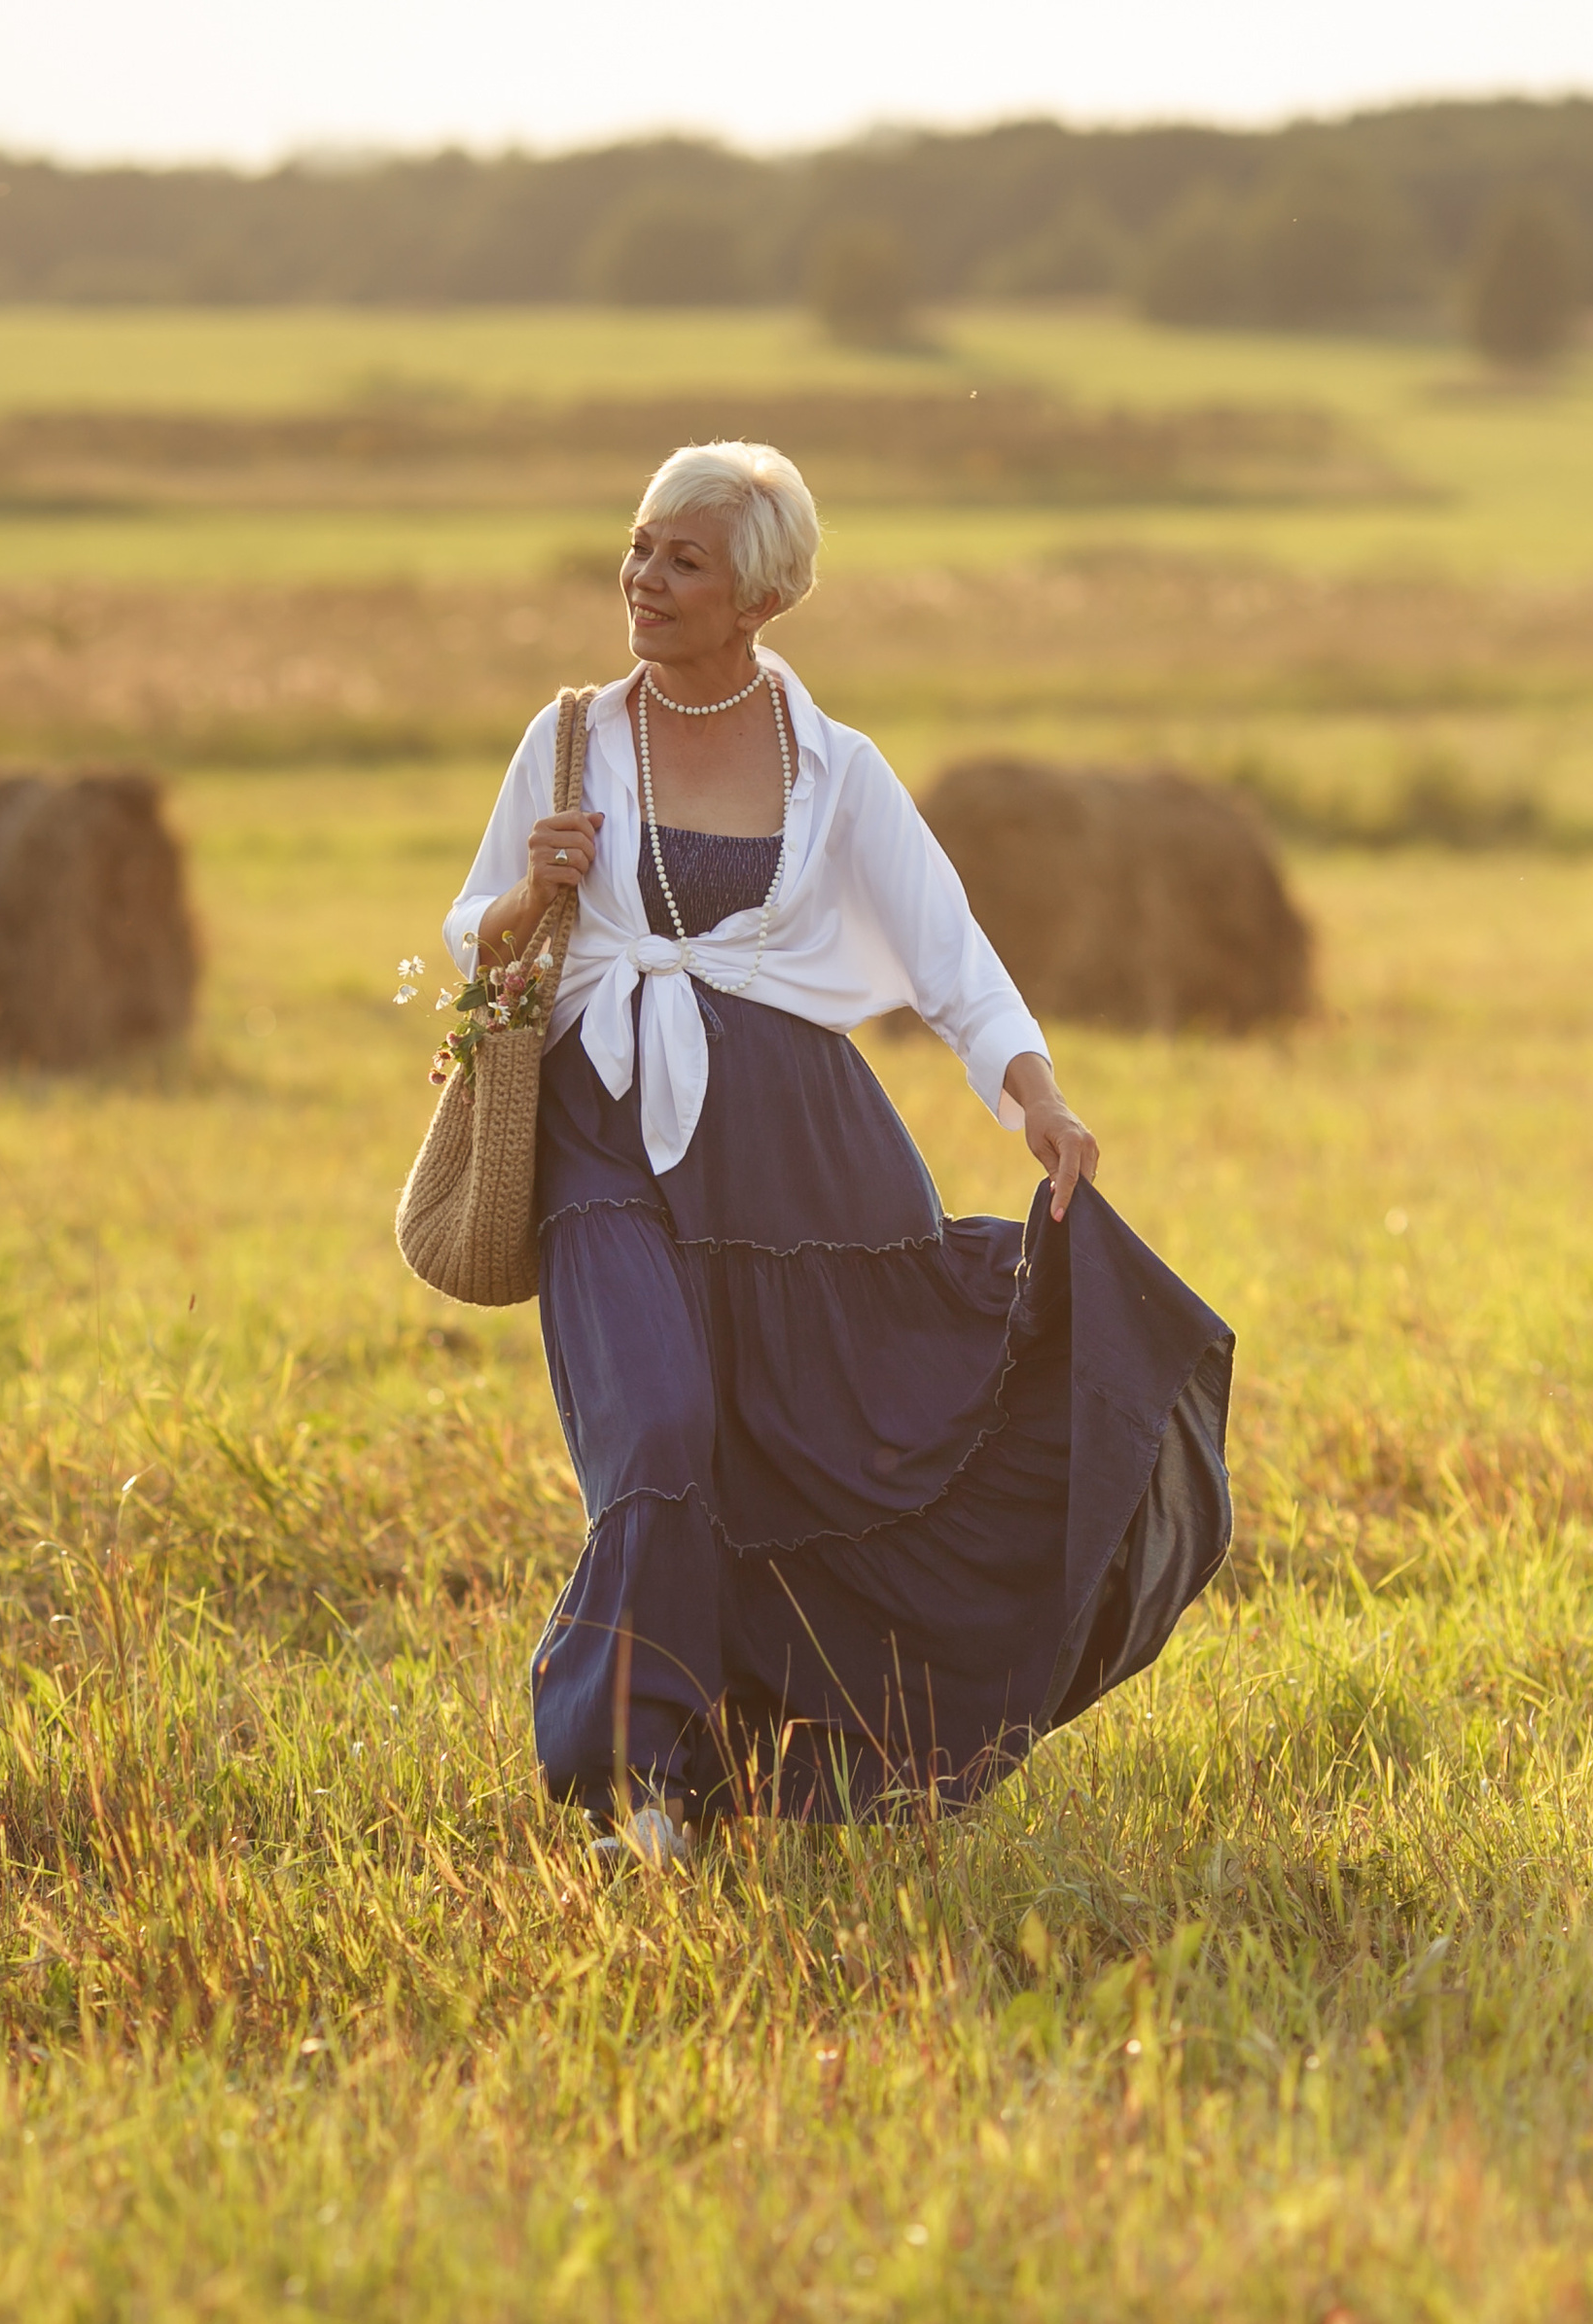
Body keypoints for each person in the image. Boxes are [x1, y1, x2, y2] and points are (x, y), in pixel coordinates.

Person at [446, 441, 1233, 1865]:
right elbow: (470, 939)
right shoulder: (565, 735)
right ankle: (625, 1772)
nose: (643, 578)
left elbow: (950, 957)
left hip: (802, 1161)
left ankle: (746, 1760)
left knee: (822, 1456)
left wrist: (1036, 1097)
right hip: (604, 1139)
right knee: (661, 1431)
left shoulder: (837, 768)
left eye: (684, 559)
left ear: (760, 599)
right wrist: (520, 903)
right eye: (638, 547)